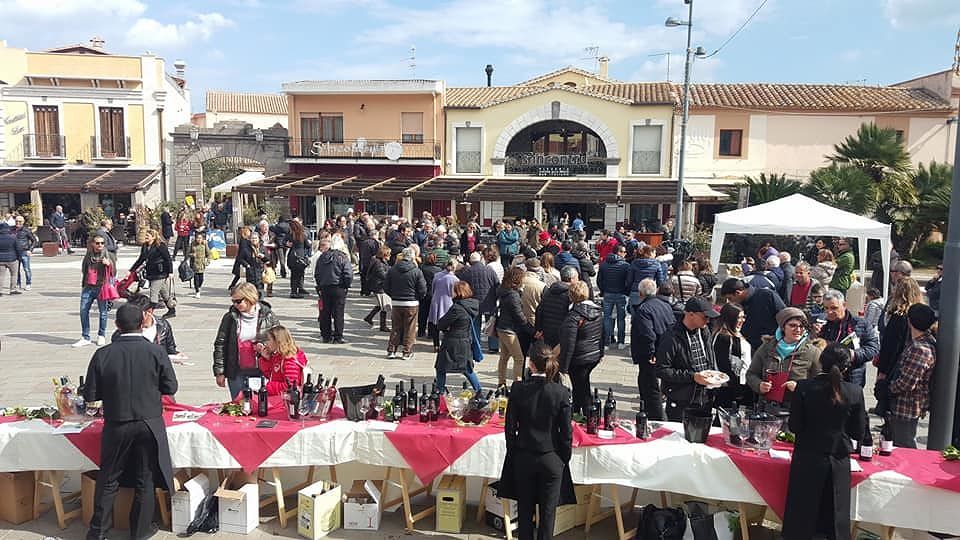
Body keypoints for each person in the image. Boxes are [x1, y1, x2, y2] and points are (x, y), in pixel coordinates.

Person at [83, 303, 178, 540]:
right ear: (142, 323)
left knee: (109, 478)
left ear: (117, 326)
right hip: (149, 422)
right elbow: (170, 387)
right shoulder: (156, 352)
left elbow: (91, 395)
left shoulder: (103, 354)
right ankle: (140, 531)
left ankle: (99, 533)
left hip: (118, 422)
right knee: (145, 478)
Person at [781, 343, 866, 540]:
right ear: (846, 367)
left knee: (801, 519)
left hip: (807, 458)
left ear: (821, 363)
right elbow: (858, 432)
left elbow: (794, 426)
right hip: (837, 459)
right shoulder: (854, 392)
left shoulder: (804, 387)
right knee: (835, 518)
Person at [499, 341, 576, 540]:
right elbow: (566, 432)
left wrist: (514, 452)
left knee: (524, 512)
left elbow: (509, 429)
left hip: (524, 455)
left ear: (531, 365)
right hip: (551, 457)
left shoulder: (517, 389)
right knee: (548, 514)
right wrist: (563, 458)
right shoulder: (560, 393)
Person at [655, 298, 720, 421]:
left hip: (705, 397)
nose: (708, 320)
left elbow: (710, 357)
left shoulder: (704, 330)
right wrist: (692, 376)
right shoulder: (671, 336)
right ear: (691, 314)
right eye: (704, 317)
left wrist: (714, 374)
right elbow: (661, 370)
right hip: (681, 399)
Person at [213, 282, 280, 399]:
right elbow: (220, 344)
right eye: (233, 301)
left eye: (238, 301)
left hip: (262, 370)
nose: (235, 304)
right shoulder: (230, 317)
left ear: (250, 298)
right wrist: (220, 372)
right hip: (236, 370)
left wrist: (264, 346)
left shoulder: (268, 316)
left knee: (261, 404)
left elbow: (279, 341)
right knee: (239, 405)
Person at [747, 307, 822, 409]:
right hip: (767, 408)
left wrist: (800, 388)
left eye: (802, 326)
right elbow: (751, 374)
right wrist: (759, 385)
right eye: (793, 325)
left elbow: (821, 383)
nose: (798, 330)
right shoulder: (767, 347)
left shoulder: (813, 352)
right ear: (782, 327)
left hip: (796, 410)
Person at [887, 303, 937, 448]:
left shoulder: (920, 348)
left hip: (907, 405)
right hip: (909, 404)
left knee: (904, 446)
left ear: (909, 321)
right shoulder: (924, 342)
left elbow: (907, 383)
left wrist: (888, 388)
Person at [875, 277, 924, 416]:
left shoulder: (899, 316)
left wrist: (882, 372)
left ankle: (887, 427)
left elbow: (890, 346)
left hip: (894, 364)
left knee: (889, 398)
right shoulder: (918, 316)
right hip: (910, 360)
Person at [630, 278, 674, 420]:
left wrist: (651, 352)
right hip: (663, 349)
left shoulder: (644, 309)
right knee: (649, 383)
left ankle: (654, 417)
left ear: (641, 293)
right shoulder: (665, 305)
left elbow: (647, 334)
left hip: (651, 353)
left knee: (650, 386)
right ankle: (649, 411)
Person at [558, 281, 603, 415]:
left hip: (579, 358)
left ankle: (587, 415)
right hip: (593, 354)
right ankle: (578, 412)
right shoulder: (598, 311)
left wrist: (563, 367)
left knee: (580, 388)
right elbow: (603, 334)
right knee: (581, 385)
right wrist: (600, 353)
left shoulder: (574, 316)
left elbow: (568, 343)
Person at [818, 289, 879, 388]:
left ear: (844, 305)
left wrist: (853, 354)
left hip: (852, 378)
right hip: (827, 378)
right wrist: (814, 336)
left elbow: (873, 348)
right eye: (826, 308)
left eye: (834, 308)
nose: (829, 312)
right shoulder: (822, 324)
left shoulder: (860, 324)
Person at [435, 281, 483, 392]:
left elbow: (441, 324)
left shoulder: (457, 308)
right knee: (466, 369)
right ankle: (479, 391)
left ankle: (440, 391)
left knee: (441, 367)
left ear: (458, 293)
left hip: (453, 342)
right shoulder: (473, 305)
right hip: (466, 340)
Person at [720, 277, 786, 350]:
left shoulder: (767, 296)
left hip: (771, 346)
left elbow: (785, 317)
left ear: (738, 293)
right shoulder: (738, 305)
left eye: (730, 298)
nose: (729, 302)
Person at [385, 246, 427, 360]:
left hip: (397, 302)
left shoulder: (392, 269)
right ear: (412, 257)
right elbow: (422, 289)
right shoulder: (416, 271)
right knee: (410, 328)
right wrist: (417, 297)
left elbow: (386, 286)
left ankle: (391, 350)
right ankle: (406, 351)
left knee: (395, 327)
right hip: (411, 303)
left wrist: (393, 296)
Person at [497, 267, 536, 387]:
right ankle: (517, 385)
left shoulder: (503, 290)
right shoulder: (513, 295)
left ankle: (501, 383)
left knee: (504, 357)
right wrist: (532, 331)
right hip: (509, 329)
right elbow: (519, 317)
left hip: (501, 327)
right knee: (519, 358)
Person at [712, 303, 754, 409]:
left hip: (740, 386)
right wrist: (737, 390)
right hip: (730, 390)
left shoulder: (735, 333)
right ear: (730, 318)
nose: (742, 320)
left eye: (743, 317)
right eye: (739, 317)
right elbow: (724, 365)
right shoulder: (723, 337)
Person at [74, 235, 113, 348]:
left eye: (102, 243)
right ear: (92, 244)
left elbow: (113, 273)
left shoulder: (107, 255)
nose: (100, 245)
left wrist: (108, 264)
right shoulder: (88, 256)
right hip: (88, 287)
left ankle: (101, 335)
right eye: (97, 243)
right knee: (83, 311)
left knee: (103, 312)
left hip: (102, 287)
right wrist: (83, 286)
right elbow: (84, 270)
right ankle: (85, 337)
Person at [314, 236, 353, 345]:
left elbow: (317, 274)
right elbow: (348, 273)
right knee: (338, 313)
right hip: (339, 287)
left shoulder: (322, 257)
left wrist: (320, 285)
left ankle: (326, 336)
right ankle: (338, 336)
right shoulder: (342, 257)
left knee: (325, 312)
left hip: (325, 287)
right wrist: (346, 285)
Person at [459, 251, 500, 352]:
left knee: (475, 325)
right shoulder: (489, 270)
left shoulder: (467, 272)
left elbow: (462, 287)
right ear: (481, 259)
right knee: (491, 324)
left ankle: (476, 346)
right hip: (489, 302)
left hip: (473, 303)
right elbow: (497, 285)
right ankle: (493, 346)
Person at [535, 266, 579, 347]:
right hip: (562, 332)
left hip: (547, 330)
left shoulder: (548, 291)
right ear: (571, 279)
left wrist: (539, 328)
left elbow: (539, 310)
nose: (578, 280)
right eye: (577, 277)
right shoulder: (570, 295)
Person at [258, 325, 308, 396]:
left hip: (284, 402)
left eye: (268, 340)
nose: (266, 343)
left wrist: (267, 386)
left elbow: (289, 386)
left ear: (277, 341)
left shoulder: (289, 362)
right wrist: (266, 359)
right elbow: (270, 375)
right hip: (277, 397)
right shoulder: (278, 356)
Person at [598, 245, 630, 349]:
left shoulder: (603, 264)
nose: (625, 254)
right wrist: (625, 290)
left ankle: (606, 342)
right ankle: (621, 342)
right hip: (621, 293)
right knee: (621, 319)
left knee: (607, 318)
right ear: (619, 252)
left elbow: (599, 281)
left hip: (608, 293)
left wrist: (603, 290)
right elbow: (628, 281)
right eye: (624, 252)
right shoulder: (625, 265)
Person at [428, 259, 459, 352]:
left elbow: (433, 288)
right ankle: (446, 345)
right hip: (448, 303)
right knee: (447, 326)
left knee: (435, 324)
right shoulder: (455, 279)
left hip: (436, 301)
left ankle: (436, 345)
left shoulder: (437, 276)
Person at [627, 245, 667, 312]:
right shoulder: (656, 264)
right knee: (649, 313)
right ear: (650, 253)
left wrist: (628, 290)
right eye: (654, 253)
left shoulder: (634, 263)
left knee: (634, 315)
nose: (655, 255)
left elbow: (629, 279)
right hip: (650, 291)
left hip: (636, 290)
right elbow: (660, 281)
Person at [363, 245, 392, 332]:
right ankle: (382, 326)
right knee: (384, 306)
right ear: (384, 255)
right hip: (379, 287)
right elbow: (383, 275)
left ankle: (369, 317)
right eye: (389, 255)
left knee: (380, 305)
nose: (390, 256)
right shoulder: (378, 264)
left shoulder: (379, 261)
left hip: (378, 286)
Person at [418, 252, 442, 339]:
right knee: (432, 314)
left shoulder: (421, 268)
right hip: (433, 293)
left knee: (422, 313)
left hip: (423, 293)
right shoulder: (438, 270)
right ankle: (431, 333)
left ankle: (421, 331)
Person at [286, 219, 311, 298]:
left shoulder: (290, 235)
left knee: (294, 274)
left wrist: (287, 244)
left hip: (292, 256)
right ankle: (296, 290)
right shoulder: (302, 234)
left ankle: (295, 290)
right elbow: (308, 245)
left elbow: (284, 242)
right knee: (300, 274)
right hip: (300, 256)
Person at [12, 215, 36, 290]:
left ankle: (28, 283)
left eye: (20, 221)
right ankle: (18, 283)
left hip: (24, 252)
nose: (18, 223)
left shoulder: (26, 230)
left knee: (26, 269)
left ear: (23, 222)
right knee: (16, 270)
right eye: (16, 221)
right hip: (15, 252)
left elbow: (34, 240)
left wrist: (30, 250)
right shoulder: (11, 229)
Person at [229, 226, 255, 292]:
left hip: (242, 259)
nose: (250, 233)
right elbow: (243, 250)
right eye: (249, 231)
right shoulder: (244, 240)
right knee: (240, 274)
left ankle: (232, 286)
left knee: (238, 275)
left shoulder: (245, 240)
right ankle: (233, 286)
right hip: (242, 259)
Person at [0, 223, 21, 296]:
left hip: (1, 260)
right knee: (14, 275)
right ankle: (13, 289)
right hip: (12, 259)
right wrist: (19, 257)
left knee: (1, 276)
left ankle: (0, 291)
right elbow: (18, 248)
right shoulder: (13, 237)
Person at [188, 233, 211, 299]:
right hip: (194, 264)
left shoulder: (204, 244)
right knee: (196, 279)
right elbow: (187, 253)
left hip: (201, 264)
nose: (199, 239)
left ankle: (199, 287)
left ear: (202, 239)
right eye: (197, 238)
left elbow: (208, 254)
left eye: (200, 238)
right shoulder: (192, 244)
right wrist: (192, 255)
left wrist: (208, 261)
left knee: (201, 279)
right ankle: (197, 291)